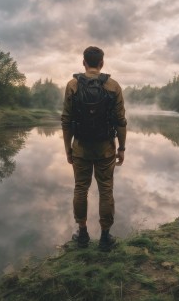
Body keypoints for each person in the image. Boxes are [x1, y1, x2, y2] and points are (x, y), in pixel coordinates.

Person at [61, 46, 127, 251]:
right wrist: (122, 148)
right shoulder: (114, 86)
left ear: (83, 63)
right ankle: (105, 238)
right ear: (102, 64)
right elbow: (121, 122)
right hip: (106, 149)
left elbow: (66, 120)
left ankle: (82, 235)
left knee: (81, 189)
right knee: (106, 190)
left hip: (80, 147)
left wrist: (68, 149)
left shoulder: (72, 85)